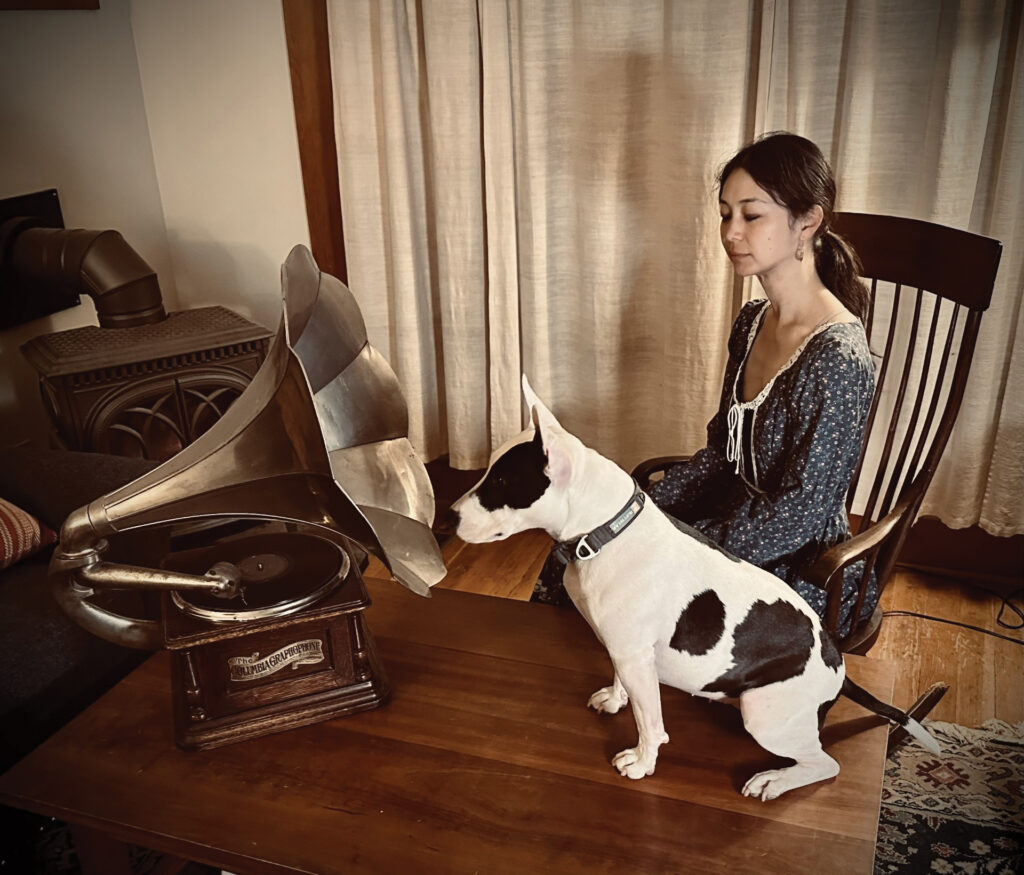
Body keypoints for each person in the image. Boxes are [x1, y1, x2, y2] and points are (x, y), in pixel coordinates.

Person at [533, 131, 878, 638]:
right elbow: (722, 452)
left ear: (808, 221)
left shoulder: (837, 358)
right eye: (725, 213)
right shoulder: (753, 320)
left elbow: (797, 516)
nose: (731, 232)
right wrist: (639, 508)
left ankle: (638, 695)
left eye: (751, 215)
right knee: (579, 548)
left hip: (797, 562)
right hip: (736, 513)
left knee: (632, 576)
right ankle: (546, 690)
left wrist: (685, 549)